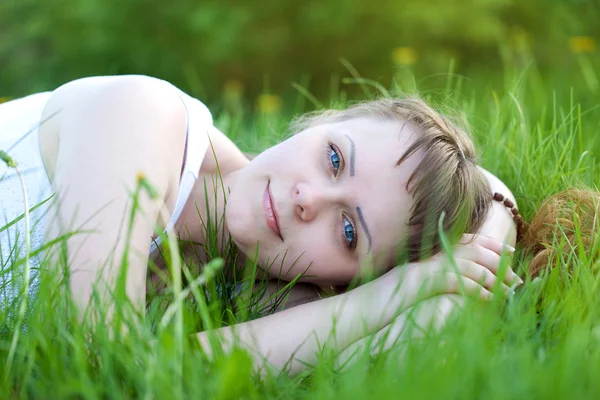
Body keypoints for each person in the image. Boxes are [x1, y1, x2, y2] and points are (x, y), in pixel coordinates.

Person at [1, 74, 529, 373]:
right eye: (334, 159)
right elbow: (100, 364)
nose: (309, 199)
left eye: (348, 232)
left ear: (338, 280)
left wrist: (421, 287)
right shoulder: (140, 116)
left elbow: (424, 340)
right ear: (325, 120)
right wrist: (382, 299)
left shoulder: (250, 292)